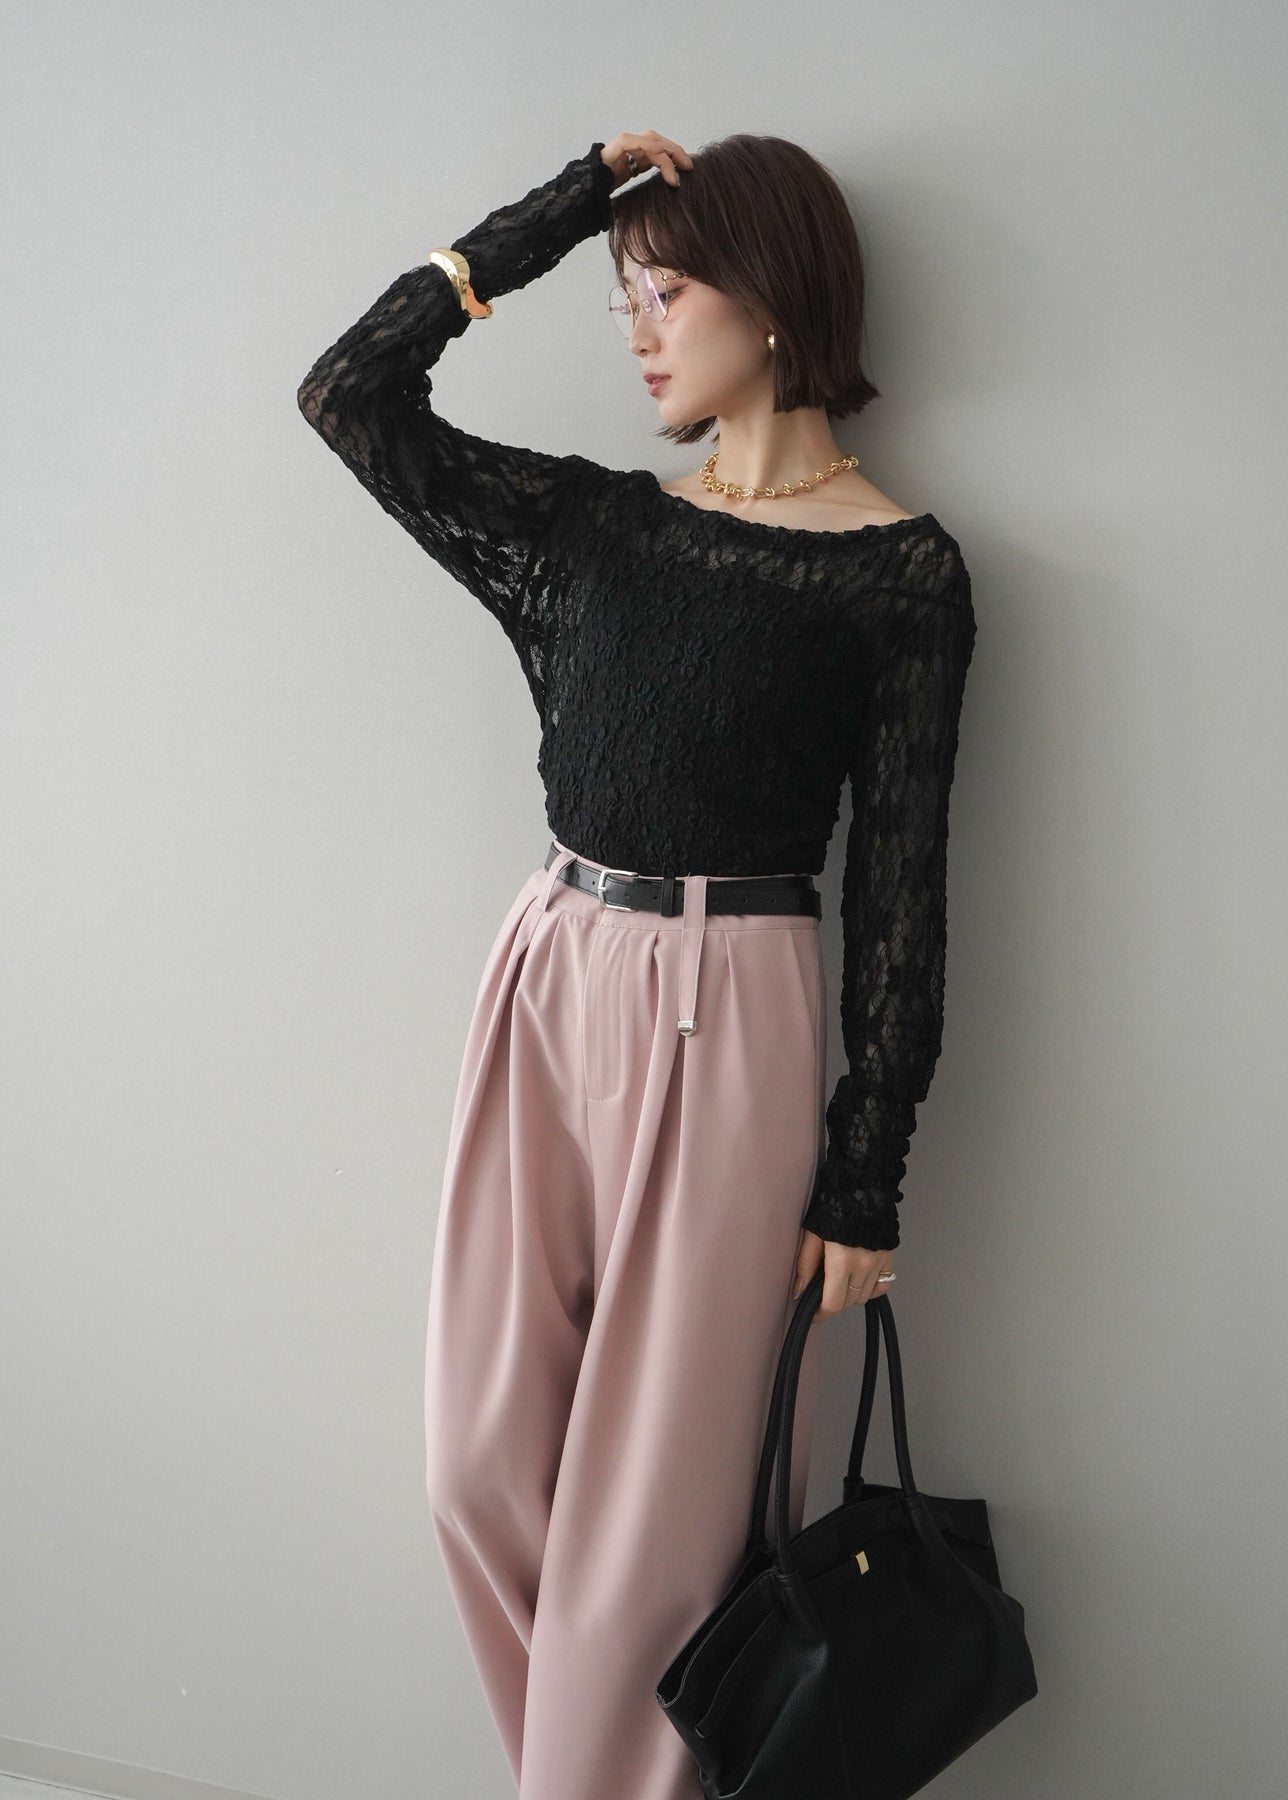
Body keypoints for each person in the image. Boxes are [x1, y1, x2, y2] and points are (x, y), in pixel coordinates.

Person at [296, 127, 976, 1800]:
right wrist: (552, 215)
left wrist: (867, 1173)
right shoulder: (587, 527)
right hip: (547, 973)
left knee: (656, 1552)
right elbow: (350, 397)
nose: (639, 331)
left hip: (733, 1008)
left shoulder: (901, 573)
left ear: (773, 295)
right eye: (627, 299)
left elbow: (904, 882)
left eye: (665, 293)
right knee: (476, 1471)